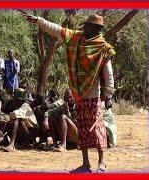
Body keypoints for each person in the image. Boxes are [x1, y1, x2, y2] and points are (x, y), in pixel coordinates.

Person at [24, 13, 115, 173]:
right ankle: (86, 164)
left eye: (88, 25)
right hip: (78, 93)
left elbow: (108, 73)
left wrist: (108, 95)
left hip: (93, 94)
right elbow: (57, 30)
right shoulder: (76, 38)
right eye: (85, 24)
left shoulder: (103, 48)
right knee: (83, 128)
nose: (84, 27)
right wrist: (39, 21)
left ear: (96, 29)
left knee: (97, 128)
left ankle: (102, 162)